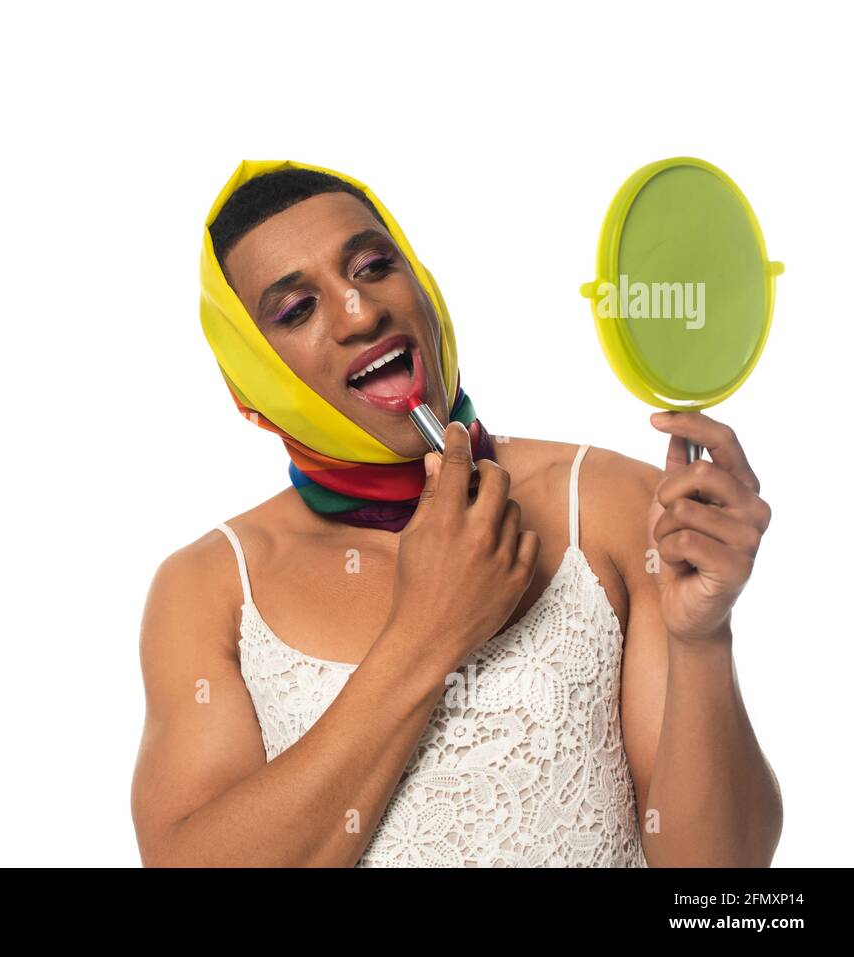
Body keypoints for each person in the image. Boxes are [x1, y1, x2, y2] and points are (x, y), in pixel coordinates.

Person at [129, 160, 782, 867]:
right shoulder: (208, 588)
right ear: (250, 380)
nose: (360, 310)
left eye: (375, 266)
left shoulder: (618, 504)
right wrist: (428, 632)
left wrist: (703, 639)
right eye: (297, 309)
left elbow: (720, 886)